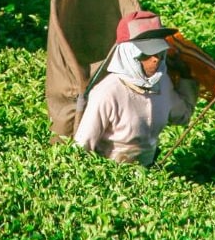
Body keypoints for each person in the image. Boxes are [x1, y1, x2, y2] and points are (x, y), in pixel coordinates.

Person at [74, 11, 199, 166]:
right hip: (110, 173)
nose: (155, 59)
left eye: (159, 53)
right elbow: (82, 146)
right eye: (146, 54)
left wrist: (186, 78)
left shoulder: (162, 82)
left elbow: (182, 116)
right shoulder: (107, 92)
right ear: (129, 55)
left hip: (147, 170)